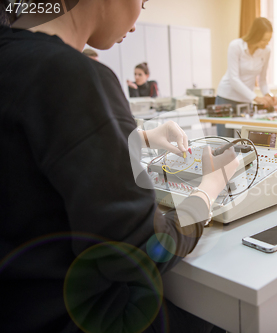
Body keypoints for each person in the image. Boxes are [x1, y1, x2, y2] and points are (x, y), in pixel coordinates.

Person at [0, 1, 238, 332]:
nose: (139, 17)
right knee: (224, 317)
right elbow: (142, 251)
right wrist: (209, 189)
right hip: (82, 320)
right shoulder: (69, 73)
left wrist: (136, 137)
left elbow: (32, 167)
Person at [216, 17, 276, 110]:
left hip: (246, 99)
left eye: (269, 39)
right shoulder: (236, 46)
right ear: (255, 35)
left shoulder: (266, 51)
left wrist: (268, 95)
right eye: (264, 40)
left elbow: (262, 80)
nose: (267, 43)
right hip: (227, 97)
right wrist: (256, 98)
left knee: (244, 125)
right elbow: (234, 79)